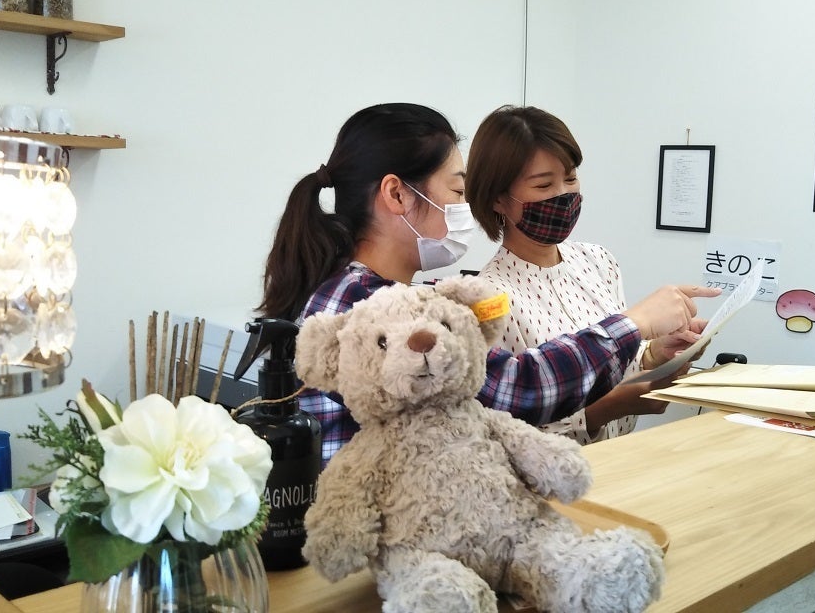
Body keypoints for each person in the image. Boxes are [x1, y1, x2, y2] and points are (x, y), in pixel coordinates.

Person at [260, 102, 716, 464]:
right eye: (457, 191)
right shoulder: (373, 305)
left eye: (570, 178)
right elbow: (518, 389)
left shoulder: (358, 288)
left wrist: (649, 353)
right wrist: (634, 323)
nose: (463, 207)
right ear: (397, 194)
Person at [465, 105, 713, 444]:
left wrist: (656, 354)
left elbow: (620, 361)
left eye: (570, 178)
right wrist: (603, 410)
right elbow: (502, 427)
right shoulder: (486, 299)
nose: (563, 194)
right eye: (543, 185)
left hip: (619, 460)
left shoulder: (598, 261)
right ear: (497, 199)